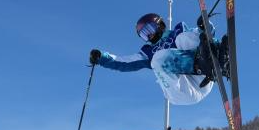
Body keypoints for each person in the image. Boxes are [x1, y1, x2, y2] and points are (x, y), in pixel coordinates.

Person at [89, 13, 229, 106]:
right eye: (144, 34)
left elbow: (200, 34)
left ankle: (218, 58)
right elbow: (125, 62)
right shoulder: (148, 52)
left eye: (149, 29)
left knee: (183, 37)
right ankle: (205, 64)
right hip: (182, 90)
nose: (149, 36)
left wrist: (205, 27)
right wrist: (103, 58)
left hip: (203, 77)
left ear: (160, 24)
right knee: (158, 59)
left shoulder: (178, 32)